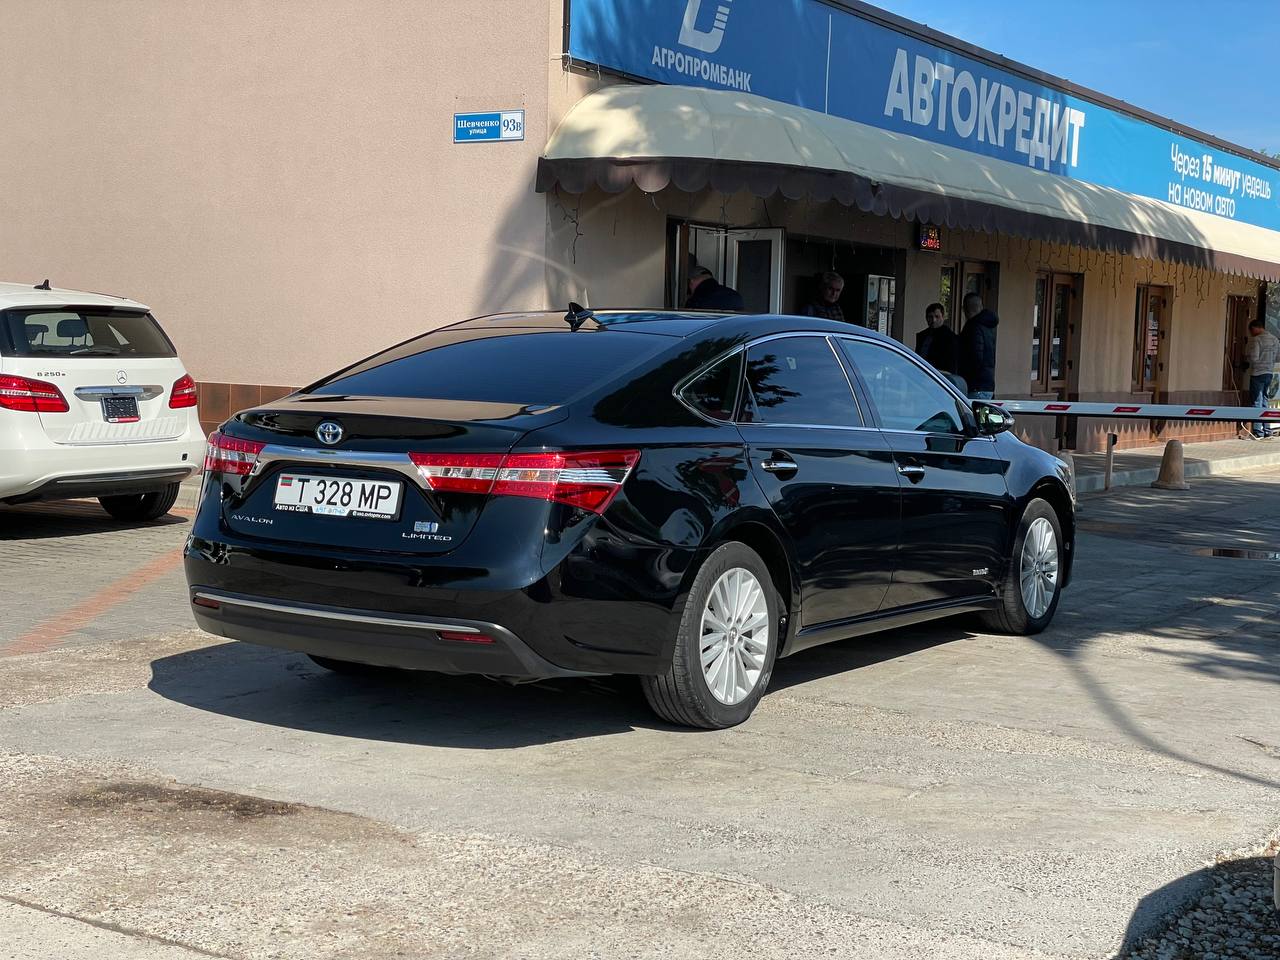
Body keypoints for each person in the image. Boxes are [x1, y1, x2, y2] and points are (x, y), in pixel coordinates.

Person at [1242, 318, 1279, 438]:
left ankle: (1258, 431)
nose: (1251, 333)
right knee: (1265, 400)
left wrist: (1247, 359)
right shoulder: (1275, 339)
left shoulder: (1257, 340)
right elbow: (1277, 356)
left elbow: (1254, 358)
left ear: (1255, 328)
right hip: (1269, 372)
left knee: (1257, 401)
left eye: (1251, 331)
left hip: (1258, 373)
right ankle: (1267, 430)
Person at [958, 292, 999, 399]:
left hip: (975, 386)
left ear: (965, 309)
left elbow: (975, 358)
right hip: (985, 385)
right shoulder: (987, 326)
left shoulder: (973, 328)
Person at [915, 301, 958, 375]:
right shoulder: (922, 336)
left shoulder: (950, 338)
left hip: (939, 377)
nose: (933, 320)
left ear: (943, 317)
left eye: (937, 317)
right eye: (930, 317)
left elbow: (951, 366)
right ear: (926, 318)